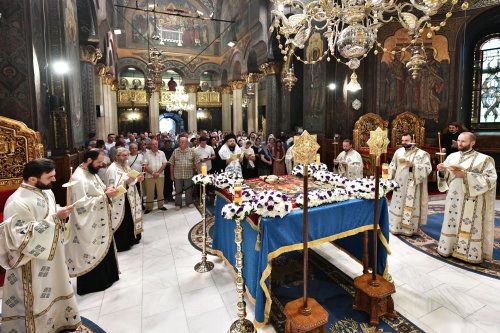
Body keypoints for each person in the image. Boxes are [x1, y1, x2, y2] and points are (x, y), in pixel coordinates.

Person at [0, 159, 81, 332]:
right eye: (49, 177)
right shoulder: (17, 202)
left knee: (56, 286)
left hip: (53, 256)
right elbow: (19, 236)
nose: (54, 179)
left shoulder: (46, 192)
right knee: (35, 299)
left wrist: (60, 213)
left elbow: (47, 214)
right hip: (32, 262)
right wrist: (54, 218)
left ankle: (58, 321)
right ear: (32, 179)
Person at [436, 132, 497, 263]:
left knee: (470, 224)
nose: (460, 143)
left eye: (463, 141)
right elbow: (446, 177)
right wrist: (442, 172)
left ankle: (469, 254)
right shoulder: (451, 157)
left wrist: (465, 175)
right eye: (458, 141)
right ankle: (448, 248)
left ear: (472, 142)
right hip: (453, 198)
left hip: (472, 201)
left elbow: (491, 179)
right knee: (452, 222)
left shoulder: (484, 159)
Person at [65, 149, 120, 295]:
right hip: (89, 225)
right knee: (92, 250)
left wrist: (108, 189)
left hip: (100, 220)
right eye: (99, 162)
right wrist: (104, 197)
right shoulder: (78, 178)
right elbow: (80, 205)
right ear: (89, 160)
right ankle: (95, 283)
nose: (101, 165)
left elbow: (99, 188)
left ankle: (109, 276)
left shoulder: (90, 172)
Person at [388, 133, 432, 236]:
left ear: (413, 140)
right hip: (399, 184)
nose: (404, 143)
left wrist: (414, 165)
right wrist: (389, 178)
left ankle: (410, 229)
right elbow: (392, 165)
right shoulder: (398, 152)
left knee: (411, 205)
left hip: (413, 185)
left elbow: (427, 168)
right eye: (402, 140)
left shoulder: (422, 154)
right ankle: (395, 226)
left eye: (406, 140)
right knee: (398, 204)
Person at [105, 147, 144, 252]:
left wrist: (137, 178)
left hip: (129, 197)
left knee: (130, 218)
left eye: (127, 155)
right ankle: (122, 244)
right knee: (123, 220)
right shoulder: (112, 169)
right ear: (116, 157)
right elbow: (111, 187)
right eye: (123, 155)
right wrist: (126, 182)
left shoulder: (125, 165)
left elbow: (131, 177)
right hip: (119, 200)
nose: (126, 157)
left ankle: (132, 239)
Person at [170, 136, 199, 210]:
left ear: (187, 143)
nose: (181, 143)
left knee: (188, 190)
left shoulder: (192, 151)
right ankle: (178, 204)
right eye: (180, 142)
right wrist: (171, 175)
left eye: (183, 142)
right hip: (177, 174)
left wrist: (199, 172)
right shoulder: (175, 151)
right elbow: (171, 164)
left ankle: (189, 202)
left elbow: (196, 163)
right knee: (178, 190)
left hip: (188, 174)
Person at [143, 139, 168, 213]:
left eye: (156, 144)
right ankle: (149, 207)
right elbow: (145, 165)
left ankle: (161, 205)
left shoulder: (162, 153)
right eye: (153, 144)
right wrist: (153, 173)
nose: (154, 145)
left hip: (160, 176)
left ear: (158, 145)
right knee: (150, 192)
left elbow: (164, 164)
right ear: (150, 145)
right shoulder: (146, 154)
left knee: (160, 191)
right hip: (150, 176)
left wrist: (158, 173)